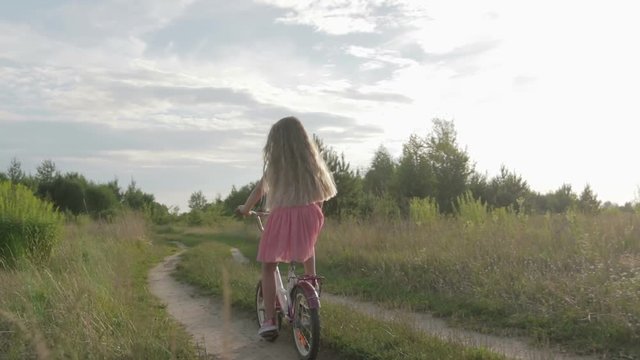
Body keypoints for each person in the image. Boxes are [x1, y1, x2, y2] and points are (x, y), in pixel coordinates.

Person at [236, 116, 337, 339]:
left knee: (268, 265)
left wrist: (245, 209)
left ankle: (270, 320)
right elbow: (321, 196)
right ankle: (311, 279)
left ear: (276, 143)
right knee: (308, 245)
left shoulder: (276, 166)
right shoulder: (312, 165)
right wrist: (313, 213)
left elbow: (259, 191)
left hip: (282, 217)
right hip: (310, 213)